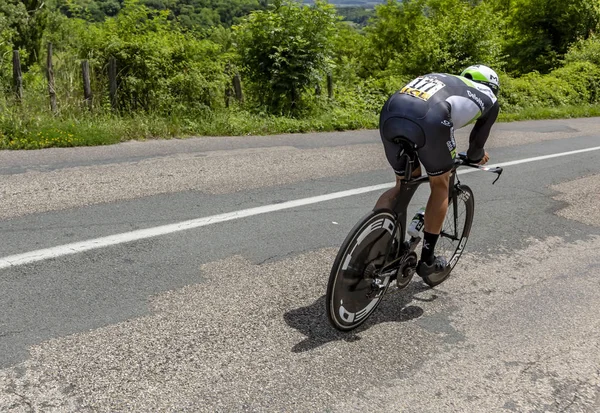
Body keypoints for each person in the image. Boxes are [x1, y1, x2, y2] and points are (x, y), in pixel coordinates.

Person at [375, 64, 500, 278]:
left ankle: (375, 246)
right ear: (493, 86)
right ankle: (428, 260)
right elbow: (476, 147)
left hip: (391, 111)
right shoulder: (490, 97)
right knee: (440, 184)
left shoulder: (445, 79)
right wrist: (476, 158)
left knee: (403, 184)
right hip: (430, 118)